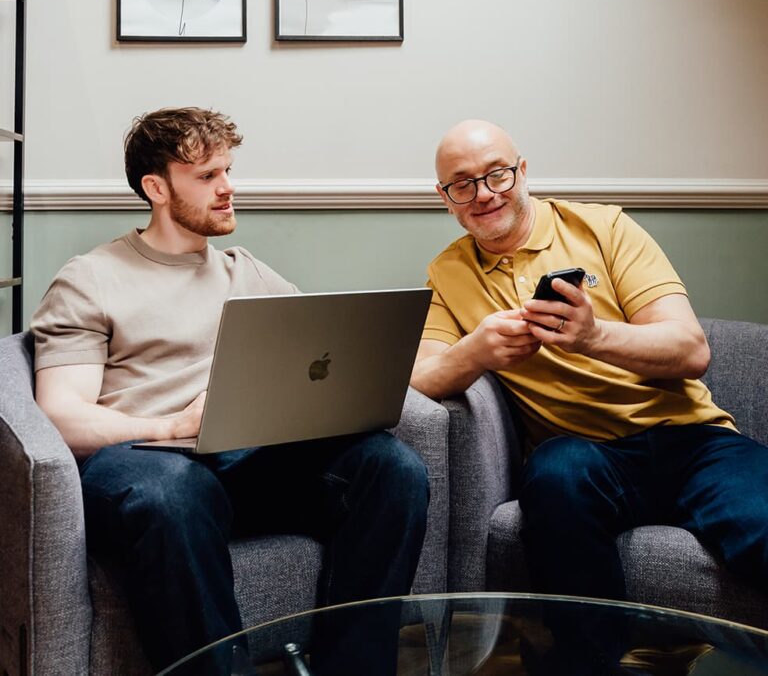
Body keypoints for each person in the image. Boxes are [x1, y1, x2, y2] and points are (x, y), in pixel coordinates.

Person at [31, 107, 429, 676]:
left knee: (391, 468)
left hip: (246, 464)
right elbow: (62, 416)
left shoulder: (249, 274)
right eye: (208, 176)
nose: (228, 188)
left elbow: (321, 362)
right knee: (175, 490)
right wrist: (170, 427)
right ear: (156, 187)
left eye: (227, 170)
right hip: (146, 466)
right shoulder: (91, 278)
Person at [411, 118, 768, 672]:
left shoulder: (604, 227)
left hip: (693, 440)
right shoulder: (449, 272)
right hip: (584, 455)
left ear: (522, 172)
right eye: (462, 184)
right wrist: (476, 351)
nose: (484, 194)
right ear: (445, 199)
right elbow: (418, 380)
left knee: (760, 518)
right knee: (555, 472)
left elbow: (690, 349)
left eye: (497, 174)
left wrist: (594, 336)